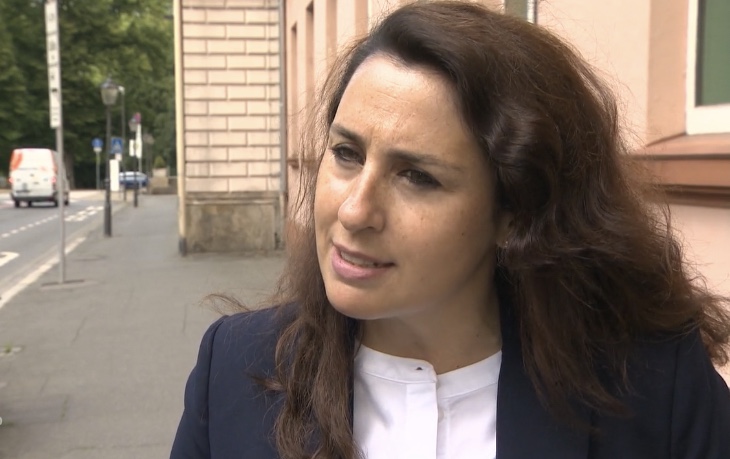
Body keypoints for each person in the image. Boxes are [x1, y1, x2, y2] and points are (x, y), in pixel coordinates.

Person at [170, 2, 730, 458]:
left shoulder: (651, 385)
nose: (355, 211)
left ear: (515, 213)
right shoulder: (235, 370)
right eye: (346, 153)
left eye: (417, 176)